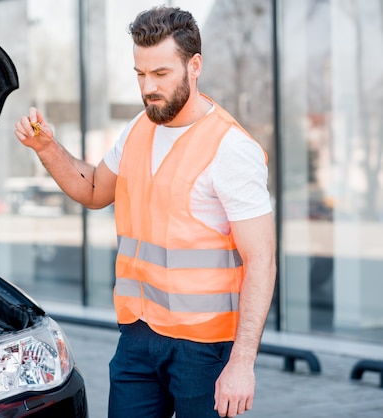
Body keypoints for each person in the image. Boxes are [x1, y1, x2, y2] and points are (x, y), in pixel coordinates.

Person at [14, 6, 276, 418]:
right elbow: (94, 189)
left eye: (161, 74)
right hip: (138, 337)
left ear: (195, 66)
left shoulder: (230, 149)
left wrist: (242, 364)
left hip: (204, 349)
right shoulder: (138, 129)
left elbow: (261, 260)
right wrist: (47, 147)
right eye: (140, 74)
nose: (148, 87)